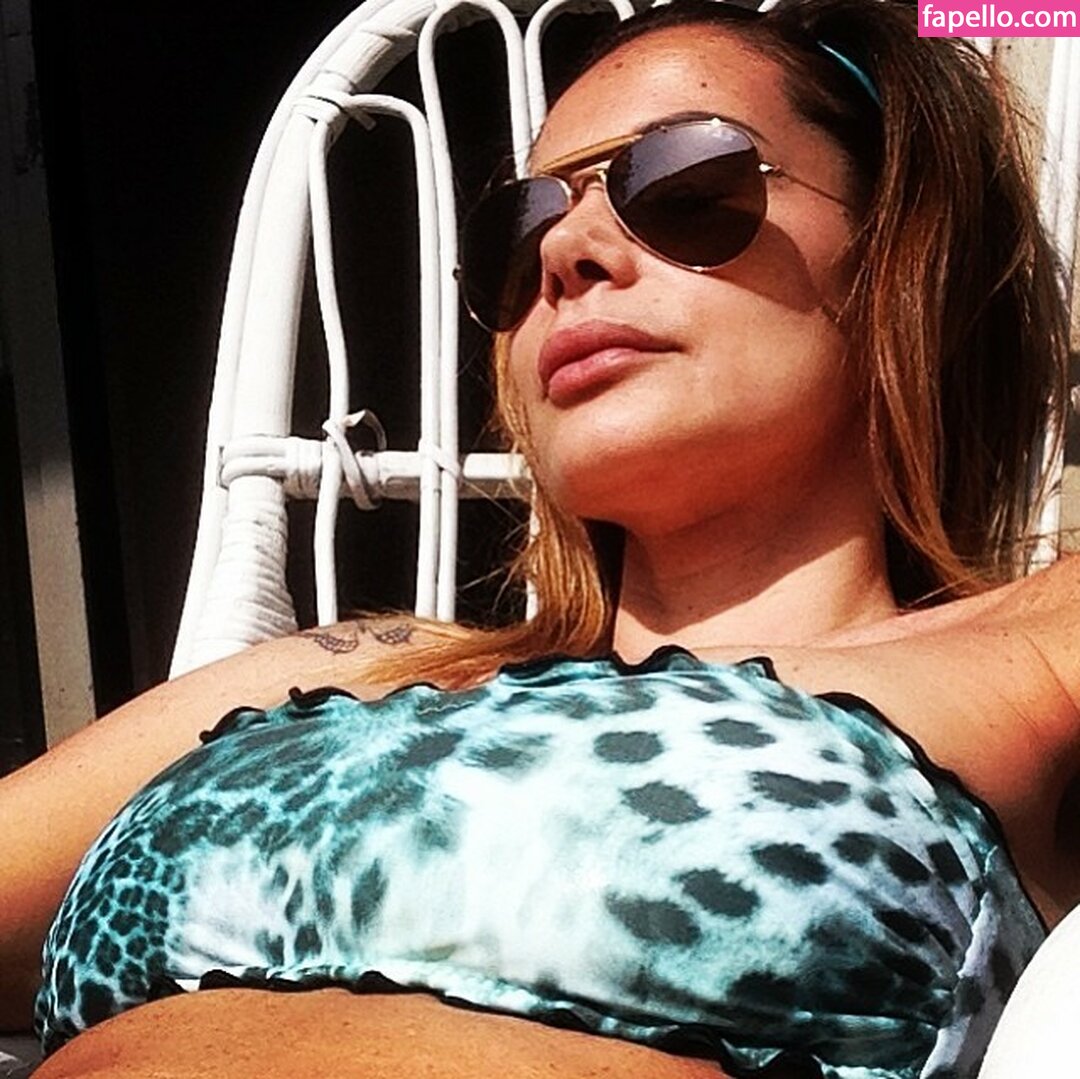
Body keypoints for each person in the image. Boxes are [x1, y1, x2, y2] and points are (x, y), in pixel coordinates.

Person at [2, 0, 1077, 1075]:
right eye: (516, 235)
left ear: (898, 254)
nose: (567, 248)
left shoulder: (1022, 650)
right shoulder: (361, 670)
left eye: (684, 185)